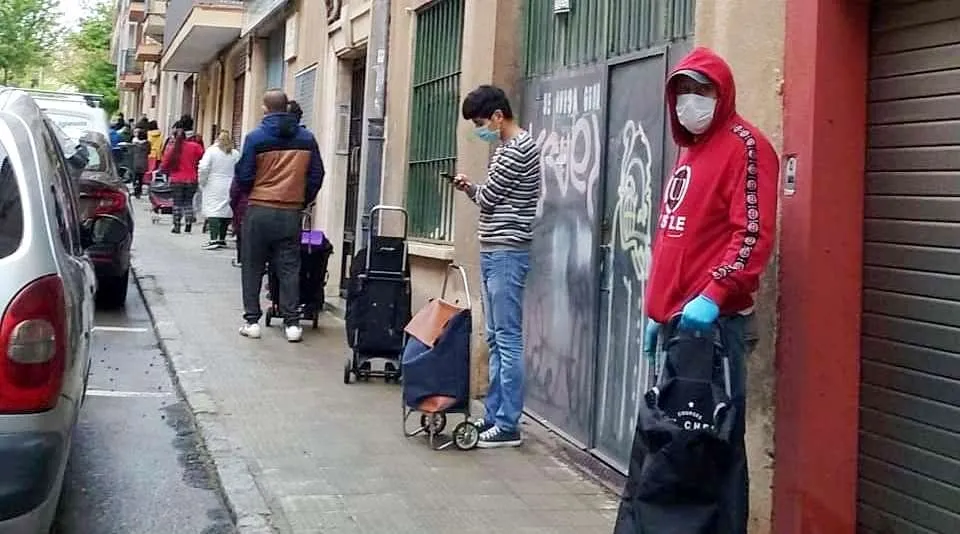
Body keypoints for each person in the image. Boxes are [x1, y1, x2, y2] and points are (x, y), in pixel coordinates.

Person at [618, 47, 779, 532]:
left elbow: (751, 233)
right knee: (669, 450)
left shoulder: (745, 146)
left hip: (711, 332)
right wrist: (658, 310)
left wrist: (713, 293)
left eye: (701, 89)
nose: (691, 100)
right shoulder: (690, 150)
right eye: (682, 90)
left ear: (722, 92)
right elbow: (678, 237)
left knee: (710, 452)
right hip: (677, 327)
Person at [451, 85, 540, 449]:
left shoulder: (517, 149)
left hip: (506, 252)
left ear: (498, 116)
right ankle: (494, 415)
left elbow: (489, 198)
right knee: (496, 337)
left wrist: (472, 189)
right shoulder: (506, 148)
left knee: (507, 338)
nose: (479, 130)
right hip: (497, 250)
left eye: (480, 123)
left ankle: (507, 424)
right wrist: (474, 188)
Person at [233, 89, 324, 343]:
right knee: (289, 267)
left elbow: (244, 175)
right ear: (287, 108)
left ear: (265, 109)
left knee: (252, 266)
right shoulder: (307, 139)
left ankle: (252, 321)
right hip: (290, 212)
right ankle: (292, 324)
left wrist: (254, 191)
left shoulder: (255, 138)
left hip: (259, 209)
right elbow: (317, 174)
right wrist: (302, 199)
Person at [198, 130, 240, 250]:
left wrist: (202, 181)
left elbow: (203, 167)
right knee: (226, 211)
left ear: (217, 139)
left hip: (213, 183)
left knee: (213, 211)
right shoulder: (235, 153)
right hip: (230, 183)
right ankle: (222, 238)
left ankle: (213, 239)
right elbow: (239, 168)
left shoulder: (211, 151)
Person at [160, 129, 204, 234]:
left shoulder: (172, 148)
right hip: (192, 179)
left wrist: (164, 171)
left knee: (177, 203)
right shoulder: (195, 146)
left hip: (176, 179)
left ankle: (177, 225)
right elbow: (203, 157)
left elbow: (165, 163)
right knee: (188, 202)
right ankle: (188, 224)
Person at [130, 128, 151, 199]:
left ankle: (135, 191)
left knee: (135, 177)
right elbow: (149, 152)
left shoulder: (135, 143)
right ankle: (139, 191)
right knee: (141, 178)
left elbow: (131, 152)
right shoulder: (148, 143)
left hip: (135, 162)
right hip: (144, 162)